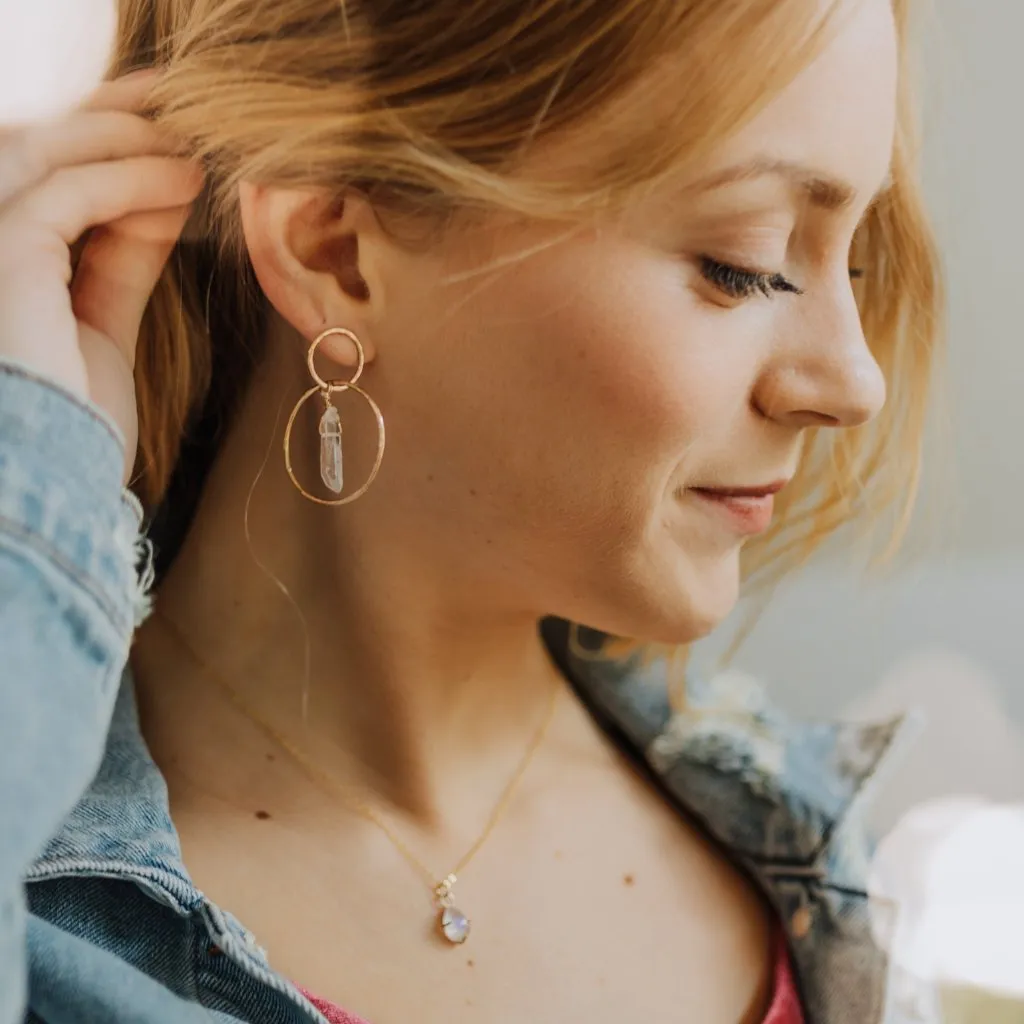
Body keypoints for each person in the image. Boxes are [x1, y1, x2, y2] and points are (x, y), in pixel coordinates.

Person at [0, 0, 942, 1020]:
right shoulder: (40, 923)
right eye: (746, 260)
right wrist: (34, 494)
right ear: (335, 252)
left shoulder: (817, 871)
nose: (853, 382)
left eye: (852, 256)